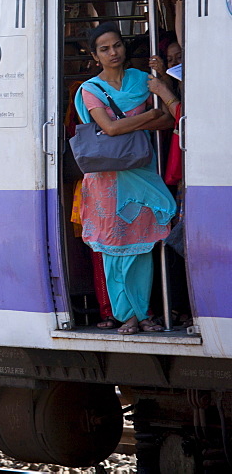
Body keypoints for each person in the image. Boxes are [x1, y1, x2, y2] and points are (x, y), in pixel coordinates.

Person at [74, 23, 177, 335]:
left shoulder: (141, 80)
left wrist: (157, 91)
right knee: (113, 249)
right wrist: (146, 118)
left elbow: (169, 119)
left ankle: (143, 313)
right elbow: (111, 128)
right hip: (106, 180)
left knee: (141, 247)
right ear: (95, 56)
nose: (113, 52)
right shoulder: (90, 89)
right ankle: (125, 316)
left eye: (116, 45)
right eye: (104, 49)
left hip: (141, 171)